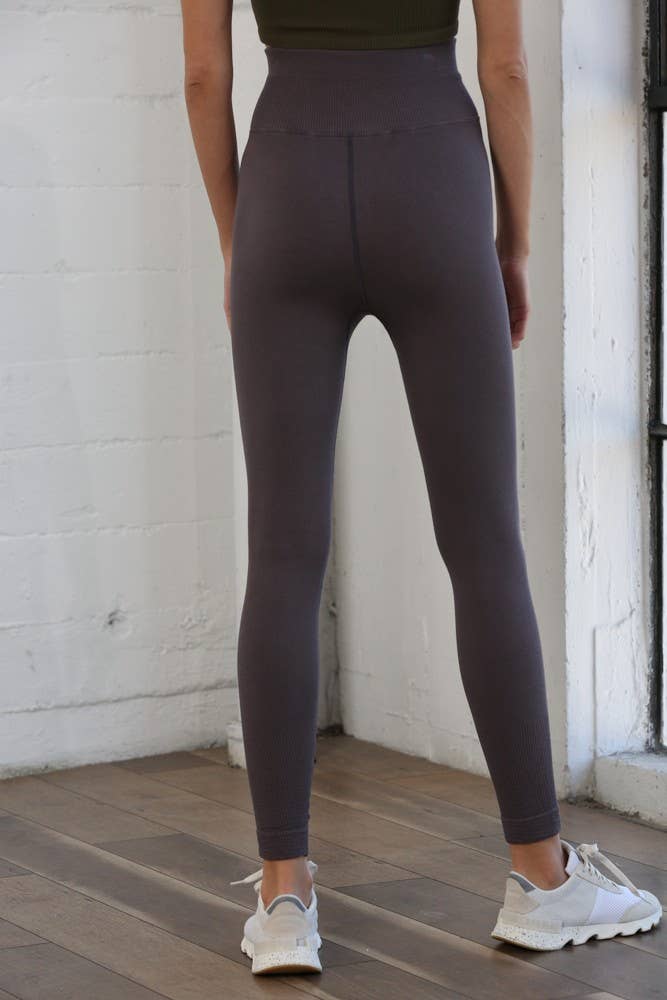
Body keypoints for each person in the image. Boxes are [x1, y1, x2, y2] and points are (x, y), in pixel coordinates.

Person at [179, 0, 662, 975]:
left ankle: (283, 897)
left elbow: (203, 77)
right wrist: (511, 244)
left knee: (282, 554)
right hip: (433, 180)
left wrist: (241, 238)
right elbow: (505, 69)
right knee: (483, 547)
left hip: (285, 181)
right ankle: (541, 877)